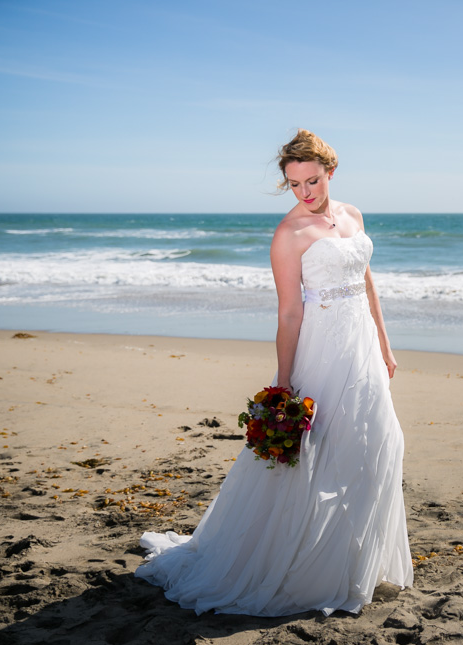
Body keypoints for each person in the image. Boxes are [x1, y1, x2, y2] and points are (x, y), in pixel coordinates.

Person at [135, 129, 413, 616]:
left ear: (331, 172)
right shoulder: (289, 235)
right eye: (294, 184)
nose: (305, 192)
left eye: (313, 180)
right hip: (321, 351)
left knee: (376, 443)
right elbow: (289, 314)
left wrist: (386, 346)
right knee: (316, 458)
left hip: (363, 348)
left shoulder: (353, 215)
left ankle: (355, 561)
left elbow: (368, 285)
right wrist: (283, 384)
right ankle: (305, 568)